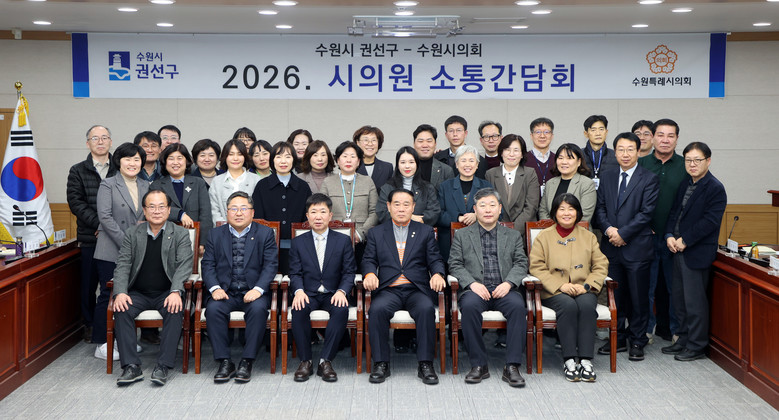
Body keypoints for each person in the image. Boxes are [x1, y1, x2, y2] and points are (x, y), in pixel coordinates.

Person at [362, 188, 446, 385]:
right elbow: (368, 260)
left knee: (426, 309)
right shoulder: (376, 233)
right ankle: (381, 363)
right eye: (397, 204)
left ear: (413, 207)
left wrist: (437, 274)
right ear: (388, 206)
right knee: (376, 310)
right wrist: (369, 273)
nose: (401, 209)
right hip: (389, 289)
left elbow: (435, 259)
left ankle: (425, 363)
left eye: (406, 204)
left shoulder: (425, 231)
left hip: (416, 289)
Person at [111, 190, 194, 386]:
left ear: (169, 210)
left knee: (175, 309)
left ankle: (163, 366)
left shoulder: (180, 233)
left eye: (161, 206)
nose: (157, 211)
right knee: (121, 308)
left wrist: (176, 291)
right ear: (144, 210)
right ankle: (131, 366)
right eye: (152, 207)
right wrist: (120, 292)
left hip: (166, 292)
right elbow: (123, 264)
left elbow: (184, 265)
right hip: (138, 293)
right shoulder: (133, 233)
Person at [448, 188, 529, 387]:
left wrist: (509, 283)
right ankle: (479, 364)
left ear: (500, 209)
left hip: (504, 288)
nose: (487, 210)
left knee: (518, 307)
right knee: (469, 307)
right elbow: (454, 264)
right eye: (482, 205)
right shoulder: (462, 235)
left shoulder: (512, 235)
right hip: (476, 289)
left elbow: (521, 263)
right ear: (475, 209)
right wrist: (472, 284)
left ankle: (512, 366)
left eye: (492, 205)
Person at [594, 132, 659, 362]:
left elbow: (646, 213)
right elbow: (600, 208)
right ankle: (618, 337)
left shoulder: (649, 178)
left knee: (639, 297)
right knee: (616, 296)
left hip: (637, 247)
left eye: (630, 149)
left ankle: (638, 340)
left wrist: (623, 234)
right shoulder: (607, 176)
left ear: (638, 151)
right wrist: (609, 230)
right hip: (611, 248)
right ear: (615, 152)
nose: (625, 154)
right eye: (621, 149)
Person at [529, 193, 609, 382]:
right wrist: (560, 285)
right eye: (562, 209)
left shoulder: (588, 236)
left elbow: (601, 265)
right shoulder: (544, 236)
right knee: (568, 306)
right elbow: (536, 267)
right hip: (554, 290)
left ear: (578, 212)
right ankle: (570, 360)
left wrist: (587, 286)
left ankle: (586, 360)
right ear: (554, 213)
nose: (566, 213)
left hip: (583, 288)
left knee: (587, 306)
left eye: (571, 209)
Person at [201, 191, 279, 383]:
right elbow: (207, 265)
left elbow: (270, 265)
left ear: (252, 212)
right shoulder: (215, 234)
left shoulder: (265, 233)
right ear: (227, 212)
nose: (238, 213)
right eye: (233, 209)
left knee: (258, 310)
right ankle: (224, 361)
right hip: (225, 292)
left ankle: (247, 360)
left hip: (253, 291)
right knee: (213, 309)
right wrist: (215, 288)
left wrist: (258, 289)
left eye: (243, 208)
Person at [661, 142, 727, 361]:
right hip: (677, 249)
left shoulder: (715, 188)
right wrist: (669, 235)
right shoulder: (686, 183)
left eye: (697, 160)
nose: (692, 164)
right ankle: (683, 339)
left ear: (708, 161)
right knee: (679, 300)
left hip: (696, 252)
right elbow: (674, 213)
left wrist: (685, 240)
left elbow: (709, 222)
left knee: (694, 302)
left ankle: (697, 345)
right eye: (688, 160)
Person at [289, 194, 356, 382]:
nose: (318, 217)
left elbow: (349, 272)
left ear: (330, 215)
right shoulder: (298, 242)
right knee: (298, 309)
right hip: (308, 293)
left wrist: (342, 291)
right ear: (307, 216)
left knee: (341, 309)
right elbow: (294, 273)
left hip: (333, 293)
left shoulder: (342, 241)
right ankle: (306, 361)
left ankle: (325, 361)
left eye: (322, 212)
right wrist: (299, 291)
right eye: (313, 212)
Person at [93, 142, 150, 359]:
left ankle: (122, 340)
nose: (132, 163)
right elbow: (105, 217)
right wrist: (127, 241)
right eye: (128, 159)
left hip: (138, 249)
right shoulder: (108, 184)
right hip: (111, 248)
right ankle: (102, 342)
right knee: (108, 295)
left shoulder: (145, 185)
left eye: (137, 159)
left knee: (129, 295)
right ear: (119, 161)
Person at [67, 124, 116, 343]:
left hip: (116, 238)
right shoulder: (77, 170)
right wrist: (100, 224)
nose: (100, 141)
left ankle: (113, 325)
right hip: (90, 237)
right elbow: (76, 202)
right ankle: (89, 324)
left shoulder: (120, 167)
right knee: (88, 284)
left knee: (111, 284)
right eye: (95, 138)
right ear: (88, 143)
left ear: (111, 142)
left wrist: (110, 227)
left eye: (104, 137)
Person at [638, 118, 686, 342]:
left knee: (675, 288)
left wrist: (677, 234)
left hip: (675, 239)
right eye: (660, 135)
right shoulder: (641, 164)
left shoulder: (685, 165)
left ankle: (677, 332)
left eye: (670, 136)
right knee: (646, 287)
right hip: (645, 236)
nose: (665, 140)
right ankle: (645, 330)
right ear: (652, 137)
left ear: (677, 139)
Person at [253, 141, 313, 274]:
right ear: (272, 160)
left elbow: (307, 219)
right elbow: (257, 219)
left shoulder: (303, 187)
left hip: (299, 249)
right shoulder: (262, 186)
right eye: (278, 157)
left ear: (294, 160)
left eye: (288, 156)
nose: (283, 161)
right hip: (267, 248)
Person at [151, 143, 213, 251]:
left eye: (179, 158)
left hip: (193, 240)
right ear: (165, 162)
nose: (175, 162)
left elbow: (205, 214)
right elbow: (155, 209)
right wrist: (179, 214)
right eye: (171, 158)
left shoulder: (198, 183)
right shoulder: (156, 185)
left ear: (187, 161)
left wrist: (203, 242)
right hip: (164, 241)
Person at [436, 144, 493, 261]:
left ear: (477, 165)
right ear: (457, 164)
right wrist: (458, 218)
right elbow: (438, 215)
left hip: (480, 245)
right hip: (449, 246)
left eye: (471, 160)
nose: (467, 164)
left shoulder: (486, 186)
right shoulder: (445, 186)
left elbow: (497, 213)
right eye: (463, 160)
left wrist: (477, 216)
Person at [320, 141, 378, 247]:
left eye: (353, 156)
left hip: (363, 240)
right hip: (334, 238)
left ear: (358, 161)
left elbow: (374, 211)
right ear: (338, 160)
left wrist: (360, 234)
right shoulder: (328, 182)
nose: (348, 160)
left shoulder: (367, 181)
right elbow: (322, 211)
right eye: (345, 156)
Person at [485, 134, 540, 239]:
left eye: (516, 150)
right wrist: (501, 229)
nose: (511, 154)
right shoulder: (490, 174)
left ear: (522, 154)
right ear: (501, 152)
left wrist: (513, 231)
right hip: (497, 233)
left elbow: (531, 207)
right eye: (507, 150)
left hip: (523, 233)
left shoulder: (530, 174)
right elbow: (489, 205)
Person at [376, 146, 441, 227]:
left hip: (420, 230)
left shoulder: (427, 188)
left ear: (417, 164)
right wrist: (411, 217)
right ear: (397, 165)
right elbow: (382, 212)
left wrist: (422, 219)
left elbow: (434, 211)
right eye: (403, 162)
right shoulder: (387, 187)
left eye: (411, 162)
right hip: (393, 230)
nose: (407, 166)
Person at [538, 143, 597, 223]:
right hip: (550, 229)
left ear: (579, 162)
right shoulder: (550, 183)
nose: (564, 162)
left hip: (578, 230)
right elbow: (543, 211)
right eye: (560, 158)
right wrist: (553, 228)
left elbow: (585, 215)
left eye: (569, 158)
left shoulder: (587, 184)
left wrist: (562, 228)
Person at [209, 140, 261, 225]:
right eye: (231, 154)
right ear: (225, 157)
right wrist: (227, 228)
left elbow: (259, 210)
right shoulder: (217, 182)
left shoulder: (256, 180)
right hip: (223, 230)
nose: (235, 158)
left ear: (245, 157)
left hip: (252, 230)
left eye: (239, 154)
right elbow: (214, 211)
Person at [412, 124, 454, 191]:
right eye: (420, 141)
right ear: (414, 144)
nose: (425, 145)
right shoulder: (406, 168)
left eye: (429, 141)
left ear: (435, 144)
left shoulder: (446, 171)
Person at [581, 115, 618, 189]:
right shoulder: (579, 155)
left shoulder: (616, 156)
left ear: (606, 132)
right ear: (586, 134)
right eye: (593, 130)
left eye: (601, 129)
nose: (598, 133)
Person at [524, 117, 556, 196]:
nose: (542, 136)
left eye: (546, 132)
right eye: (538, 132)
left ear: (552, 136)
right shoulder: (523, 159)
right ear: (531, 136)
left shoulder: (558, 159)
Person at [354, 125, 393, 190]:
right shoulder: (352, 166)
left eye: (374, 140)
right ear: (358, 143)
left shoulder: (387, 168)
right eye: (366, 140)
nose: (370, 144)